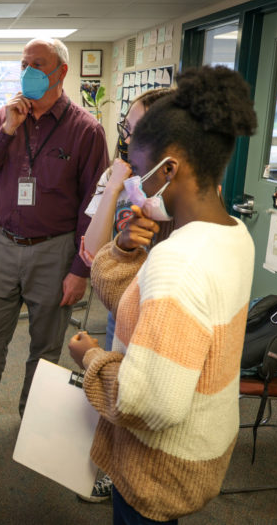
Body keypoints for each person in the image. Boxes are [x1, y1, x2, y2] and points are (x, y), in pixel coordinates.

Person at [68, 65, 257, 523]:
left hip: (155, 469)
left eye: (139, 169)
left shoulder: (179, 260)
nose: (135, 183)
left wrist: (91, 358)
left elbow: (147, 403)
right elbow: (142, 306)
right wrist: (124, 250)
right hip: (199, 447)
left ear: (170, 168)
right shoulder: (232, 234)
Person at [0, 38, 108, 445]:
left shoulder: (86, 130)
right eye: (24, 64)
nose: (28, 71)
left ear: (61, 71)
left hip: (55, 249)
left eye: (38, 64)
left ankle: (33, 420)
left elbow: (95, 206)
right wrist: (7, 130)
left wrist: (80, 270)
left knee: (45, 347)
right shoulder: (5, 116)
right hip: (2, 244)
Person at [75, 87, 174, 504]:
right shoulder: (117, 175)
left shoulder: (181, 188)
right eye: (125, 128)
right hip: (122, 301)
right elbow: (93, 251)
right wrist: (115, 185)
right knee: (122, 389)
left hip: (162, 310)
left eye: (134, 129)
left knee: (149, 398)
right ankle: (118, 473)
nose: (126, 138)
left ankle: (139, 483)